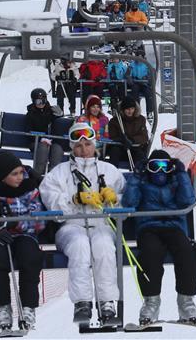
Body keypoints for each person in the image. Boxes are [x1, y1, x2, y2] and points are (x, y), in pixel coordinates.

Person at [39, 123, 125, 323]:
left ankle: (107, 302)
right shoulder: (59, 173)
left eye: (87, 145)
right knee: (80, 246)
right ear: (71, 148)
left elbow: (127, 202)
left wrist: (114, 199)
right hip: (71, 226)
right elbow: (51, 201)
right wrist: (74, 200)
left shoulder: (109, 171)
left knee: (103, 246)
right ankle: (82, 302)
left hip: (101, 225)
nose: (83, 150)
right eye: (78, 146)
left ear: (94, 145)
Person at [122, 150, 196, 325]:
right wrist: (136, 177)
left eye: (164, 166)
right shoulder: (142, 181)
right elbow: (128, 203)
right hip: (149, 227)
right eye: (154, 166)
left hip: (174, 226)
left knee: (187, 252)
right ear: (148, 168)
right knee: (150, 253)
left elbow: (188, 201)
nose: (159, 171)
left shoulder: (176, 180)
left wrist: (181, 174)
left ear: (170, 168)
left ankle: (186, 302)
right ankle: (151, 303)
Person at [0, 151, 45, 331]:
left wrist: (15, 222)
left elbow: (38, 221)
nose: (20, 177)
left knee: (30, 257)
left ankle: (28, 307)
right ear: (1, 176)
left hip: (25, 235)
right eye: (14, 174)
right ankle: (2, 306)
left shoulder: (30, 189)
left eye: (21, 172)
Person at [27, 88, 64, 175]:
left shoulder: (50, 111)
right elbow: (28, 131)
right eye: (38, 102)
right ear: (33, 101)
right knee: (43, 148)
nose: (41, 104)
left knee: (57, 149)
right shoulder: (31, 114)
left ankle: (53, 176)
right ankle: (38, 175)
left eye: (43, 101)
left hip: (51, 141)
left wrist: (60, 114)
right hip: (36, 141)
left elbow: (56, 123)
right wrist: (41, 139)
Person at [107, 97, 150, 166]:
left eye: (132, 108)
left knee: (140, 155)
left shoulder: (140, 119)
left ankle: (140, 173)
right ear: (123, 110)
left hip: (135, 149)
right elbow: (112, 136)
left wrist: (132, 139)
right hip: (121, 149)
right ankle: (113, 172)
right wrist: (122, 139)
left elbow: (144, 136)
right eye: (127, 109)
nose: (130, 111)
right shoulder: (115, 121)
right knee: (114, 151)